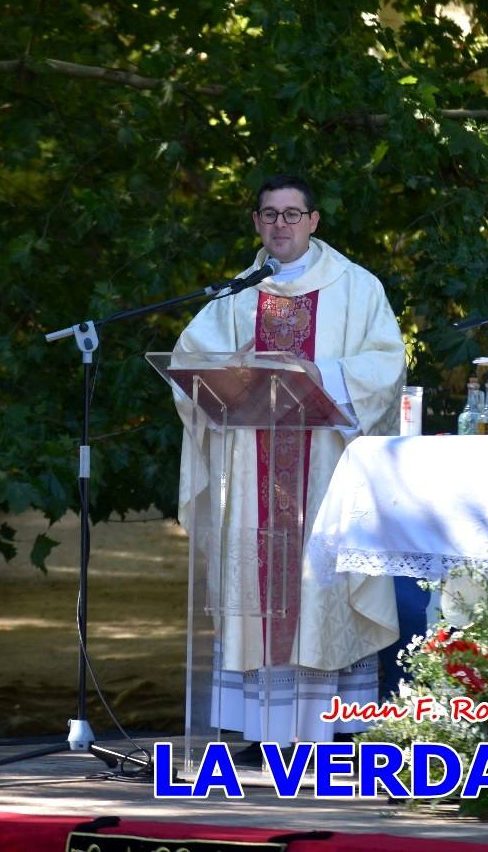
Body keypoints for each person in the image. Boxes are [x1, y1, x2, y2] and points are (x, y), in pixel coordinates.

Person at [172, 173, 406, 753]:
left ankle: (330, 732)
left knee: (322, 586)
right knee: (257, 585)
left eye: (292, 214)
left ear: (313, 221)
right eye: (270, 215)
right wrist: (236, 366)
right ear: (256, 223)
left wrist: (321, 373)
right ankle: (259, 730)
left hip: (326, 470)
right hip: (249, 474)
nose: (281, 225)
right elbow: (188, 365)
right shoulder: (236, 295)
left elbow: (387, 364)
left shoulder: (357, 288)